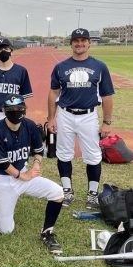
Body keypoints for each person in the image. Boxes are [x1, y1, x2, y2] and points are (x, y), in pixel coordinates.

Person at [0, 95, 64, 254]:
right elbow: (3, 163)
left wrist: (35, 166)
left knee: (57, 192)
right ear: (3, 110)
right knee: (5, 230)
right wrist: (24, 176)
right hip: (3, 179)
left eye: (19, 109)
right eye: (11, 110)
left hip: (24, 173)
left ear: (25, 109)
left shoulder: (29, 125)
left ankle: (47, 232)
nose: (16, 112)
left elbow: (38, 150)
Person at [48, 28, 114, 209]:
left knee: (93, 157)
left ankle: (92, 194)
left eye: (83, 40)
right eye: (76, 40)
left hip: (89, 116)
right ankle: (67, 191)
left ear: (89, 43)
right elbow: (54, 92)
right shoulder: (61, 66)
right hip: (65, 115)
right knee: (63, 154)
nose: (80, 43)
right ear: (71, 43)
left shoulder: (99, 66)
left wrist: (107, 122)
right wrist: (51, 118)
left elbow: (107, 95)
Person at [0, 38, 33, 135]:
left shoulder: (21, 71)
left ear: (11, 51)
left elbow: (24, 99)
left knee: (11, 145)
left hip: (12, 113)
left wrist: (21, 117)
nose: (2, 51)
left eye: (5, 48)